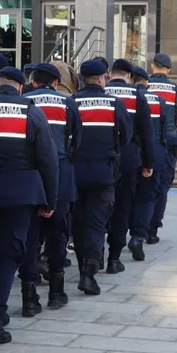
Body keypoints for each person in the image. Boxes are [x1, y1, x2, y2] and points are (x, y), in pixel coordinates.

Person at [0, 67, 58, 345]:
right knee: (9, 255)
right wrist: (50, 198)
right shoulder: (31, 112)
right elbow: (48, 160)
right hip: (20, 195)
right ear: (21, 87)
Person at [20, 63, 80, 314]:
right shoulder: (67, 103)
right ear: (56, 82)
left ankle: (29, 297)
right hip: (60, 173)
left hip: (30, 176)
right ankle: (56, 291)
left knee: (29, 237)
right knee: (58, 234)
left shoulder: (22, 102)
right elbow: (77, 139)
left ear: (32, 81)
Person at [70, 59, 130, 291]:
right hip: (104, 172)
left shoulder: (72, 102)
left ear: (82, 78)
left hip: (76, 172)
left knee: (78, 222)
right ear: (103, 77)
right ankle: (89, 271)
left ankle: (83, 263)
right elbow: (126, 135)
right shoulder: (115, 103)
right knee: (96, 223)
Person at [105, 60, 155, 270]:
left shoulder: (101, 91)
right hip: (128, 157)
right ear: (128, 75)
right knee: (123, 206)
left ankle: (95, 253)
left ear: (109, 74)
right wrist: (148, 162)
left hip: (102, 157)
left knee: (98, 207)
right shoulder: (137, 95)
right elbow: (146, 132)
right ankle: (114, 257)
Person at [129, 66, 166, 264]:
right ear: (147, 82)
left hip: (129, 154)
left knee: (126, 196)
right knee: (147, 197)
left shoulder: (124, 98)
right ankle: (138, 236)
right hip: (153, 153)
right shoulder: (158, 100)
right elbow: (162, 126)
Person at [146, 53, 177, 245]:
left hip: (147, 141)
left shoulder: (143, 85)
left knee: (144, 185)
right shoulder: (175, 88)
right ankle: (153, 229)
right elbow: (175, 114)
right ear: (168, 70)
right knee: (162, 187)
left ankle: (140, 225)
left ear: (153, 66)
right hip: (169, 140)